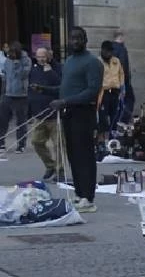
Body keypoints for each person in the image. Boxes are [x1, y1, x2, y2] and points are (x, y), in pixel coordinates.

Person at [51, 28, 103, 213]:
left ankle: (89, 198)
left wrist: (65, 101)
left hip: (83, 114)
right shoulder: (69, 62)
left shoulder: (92, 63)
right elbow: (66, 88)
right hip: (68, 113)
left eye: (79, 38)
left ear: (86, 40)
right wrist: (44, 90)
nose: (75, 41)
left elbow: (91, 91)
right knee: (73, 155)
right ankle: (80, 194)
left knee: (84, 156)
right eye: (72, 38)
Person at [27, 47, 63, 181]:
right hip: (39, 113)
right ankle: (50, 165)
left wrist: (50, 73)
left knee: (58, 144)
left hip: (54, 114)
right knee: (36, 142)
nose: (41, 59)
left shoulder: (58, 68)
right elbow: (30, 89)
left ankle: (60, 171)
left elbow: (61, 86)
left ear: (49, 56)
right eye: (38, 56)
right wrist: (30, 110)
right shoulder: (34, 69)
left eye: (43, 56)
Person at [0, 41, 32, 153]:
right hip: (8, 93)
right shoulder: (8, 60)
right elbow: (5, 73)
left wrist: (17, 63)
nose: (11, 55)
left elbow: (23, 74)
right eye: (10, 53)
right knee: (3, 119)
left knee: (21, 121)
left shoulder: (26, 60)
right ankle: (1, 143)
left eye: (13, 53)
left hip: (21, 95)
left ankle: (21, 145)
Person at [98, 40, 125, 141]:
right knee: (103, 117)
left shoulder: (116, 61)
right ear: (102, 50)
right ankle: (102, 140)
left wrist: (122, 89)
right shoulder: (98, 62)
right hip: (103, 92)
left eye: (111, 51)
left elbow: (121, 74)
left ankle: (113, 137)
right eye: (107, 51)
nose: (109, 53)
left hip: (115, 91)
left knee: (115, 115)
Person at [112, 30, 134, 123]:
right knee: (130, 99)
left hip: (111, 81)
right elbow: (123, 65)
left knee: (116, 103)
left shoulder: (110, 49)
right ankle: (124, 120)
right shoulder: (121, 49)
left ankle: (116, 121)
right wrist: (125, 80)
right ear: (121, 37)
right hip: (122, 80)